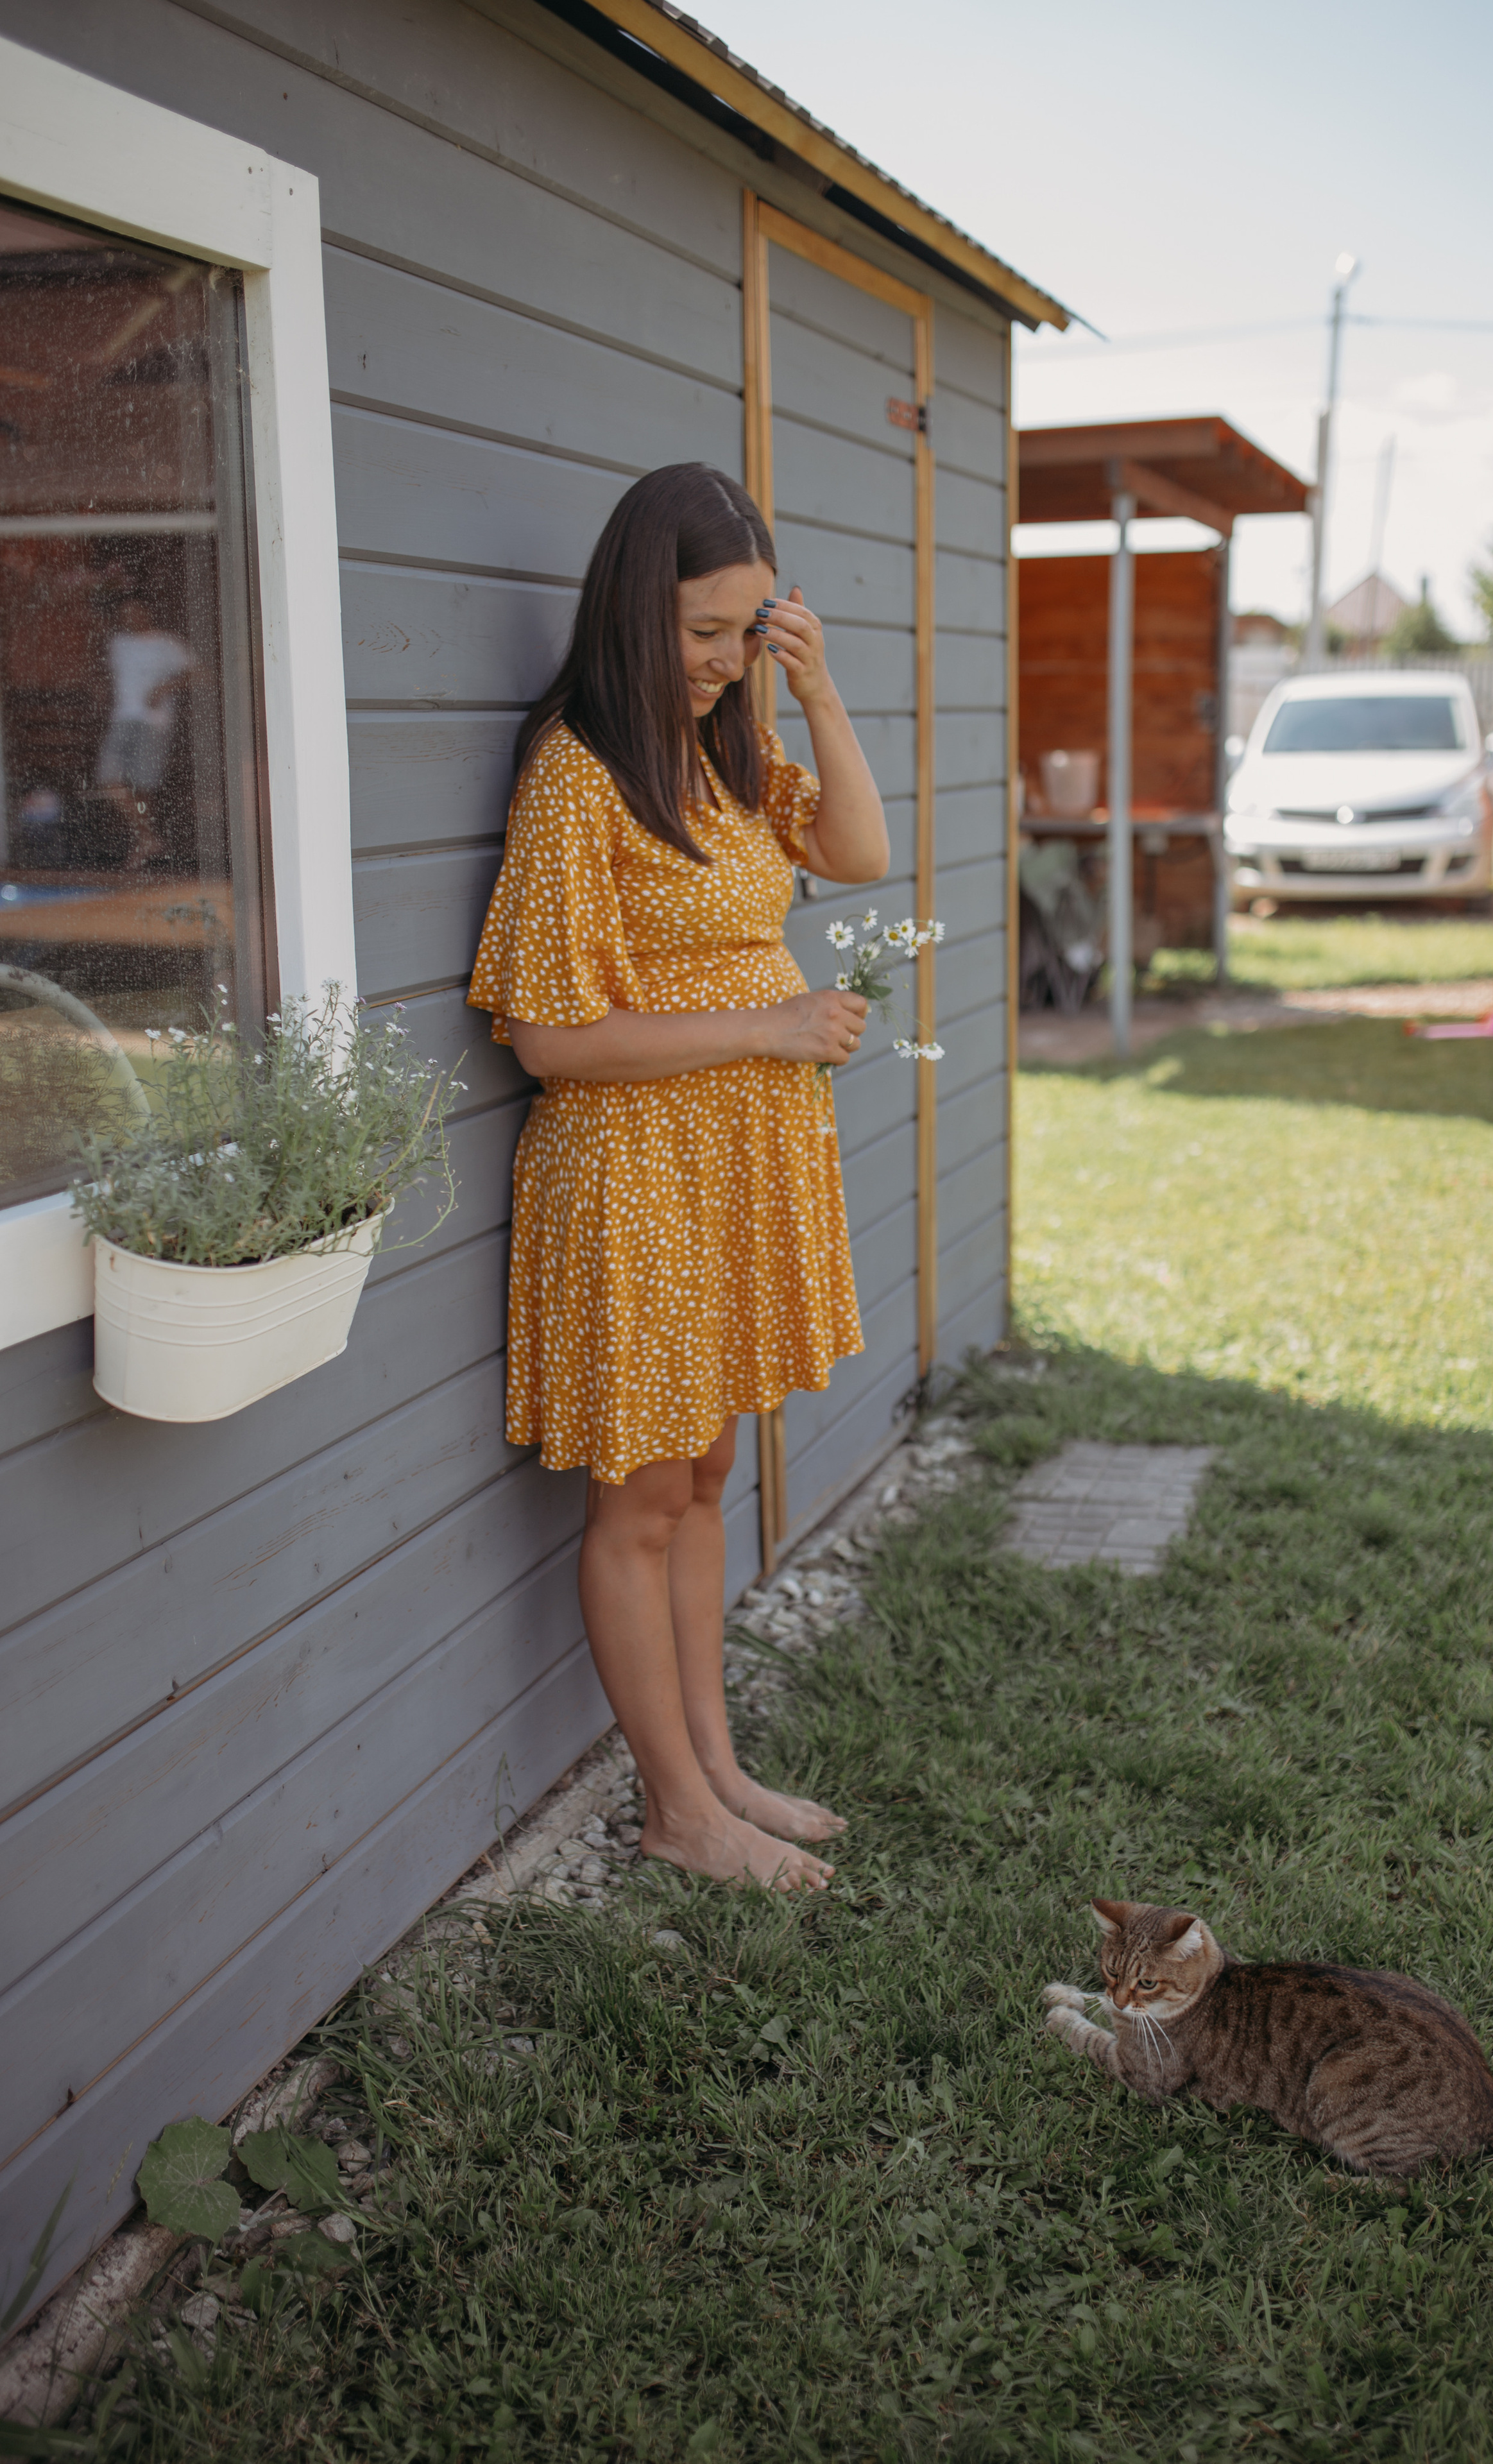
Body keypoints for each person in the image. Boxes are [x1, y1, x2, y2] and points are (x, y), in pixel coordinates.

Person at [468, 463, 888, 1894]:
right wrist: (769, 1025)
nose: (721, 662)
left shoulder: (716, 758)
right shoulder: (577, 774)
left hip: (728, 1167)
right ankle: (671, 1808)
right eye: (702, 632)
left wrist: (815, 691)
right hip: (633, 1168)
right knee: (638, 1495)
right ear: (633, 609)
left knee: (704, 1472)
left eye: (743, 630)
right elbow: (548, 1037)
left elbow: (859, 850)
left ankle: (714, 1768)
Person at [96, 596, 193, 868]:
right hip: (122, 720)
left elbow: (198, 673)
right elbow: (104, 672)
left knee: (142, 788)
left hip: (153, 722)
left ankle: (144, 842)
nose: (131, 618)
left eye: (135, 612)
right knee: (109, 779)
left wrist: (164, 687)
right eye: (125, 613)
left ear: (146, 612)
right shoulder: (118, 644)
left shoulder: (167, 643)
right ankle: (147, 837)